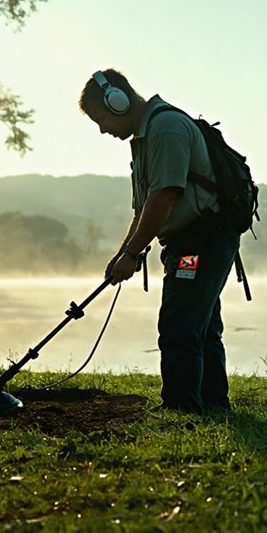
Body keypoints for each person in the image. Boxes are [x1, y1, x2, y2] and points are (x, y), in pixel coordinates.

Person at [78, 69, 239, 413]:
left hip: (202, 240)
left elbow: (165, 196)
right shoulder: (146, 136)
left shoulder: (166, 128)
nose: (103, 129)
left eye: (101, 119)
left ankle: (181, 408)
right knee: (202, 326)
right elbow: (145, 206)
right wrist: (124, 252)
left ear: (117, 102)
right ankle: (213, 404)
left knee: (180, 325)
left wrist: (133, 253)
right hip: (191, 240)